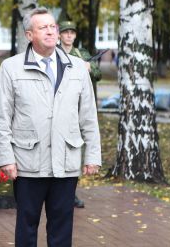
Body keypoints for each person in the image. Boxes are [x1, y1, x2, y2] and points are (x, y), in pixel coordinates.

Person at [0, 7, 101, 247]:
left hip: (66, 161)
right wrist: (6, 158)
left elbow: (88, 116)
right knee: (27, 226)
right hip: (28, 163)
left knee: (62, 228)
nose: (51, 32)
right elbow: (1, 118)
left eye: (53, 27)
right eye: (43, 27)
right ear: (29, 35)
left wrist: (93, 155)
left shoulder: (77, 67)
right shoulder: (11, 68)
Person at [58, 20, 101, 209]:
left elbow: (98, 74)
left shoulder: (81, 54)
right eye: (65, 32)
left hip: (78, 106)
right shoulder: (54, 52)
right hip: (60, 106)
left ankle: (71, 192)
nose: (68, 36)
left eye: (71, 33)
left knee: (74, 147)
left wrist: (89, 68)